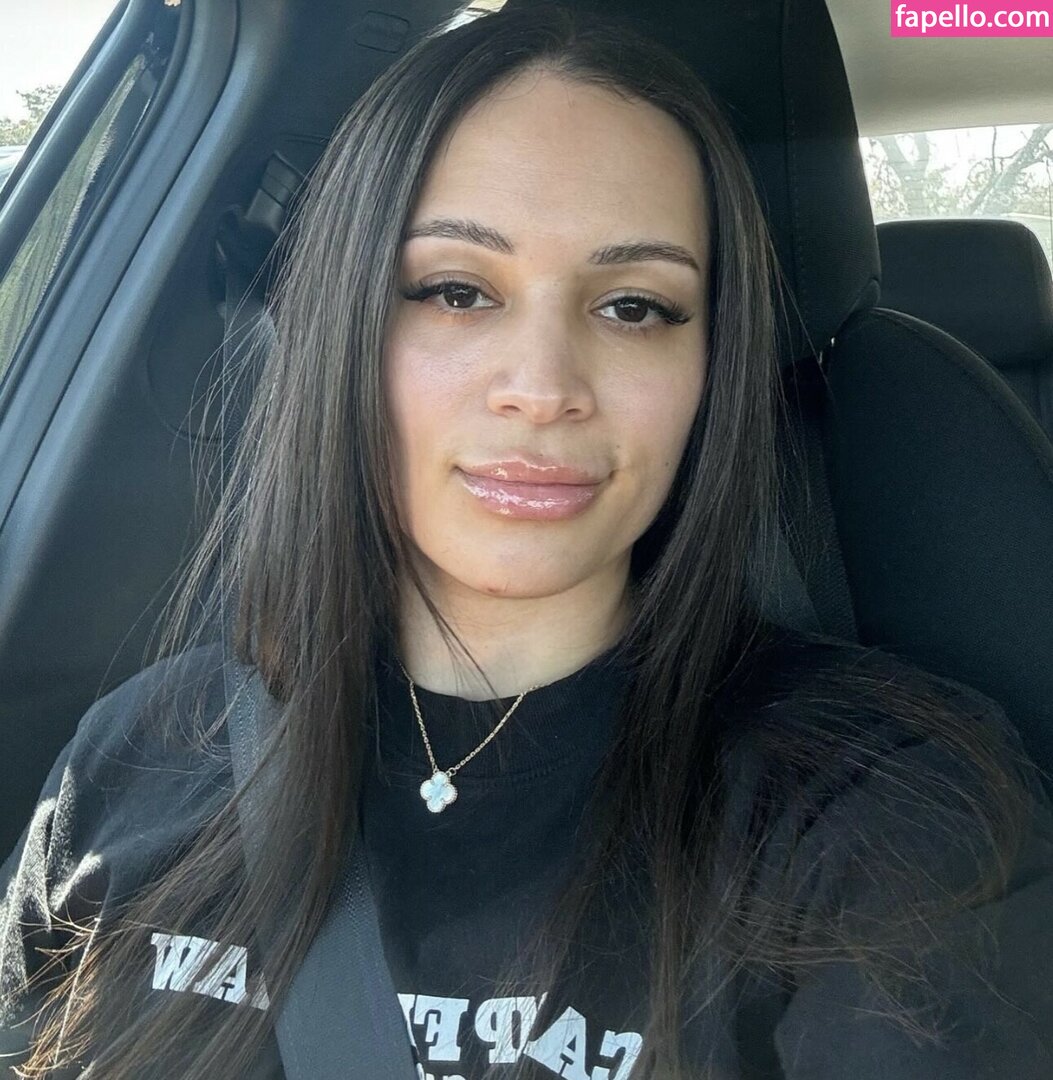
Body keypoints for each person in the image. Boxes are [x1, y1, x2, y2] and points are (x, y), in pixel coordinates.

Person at [2, 3, 1052, 1078]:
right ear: (339, 328)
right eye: (456, 290)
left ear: (711, 368)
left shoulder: (877, 812)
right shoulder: (134, 758)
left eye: (635, 307)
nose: (544, 389)